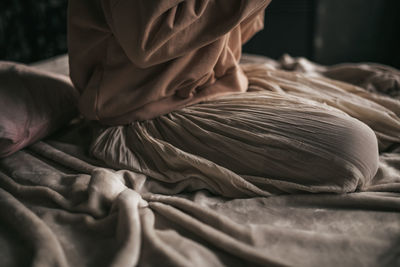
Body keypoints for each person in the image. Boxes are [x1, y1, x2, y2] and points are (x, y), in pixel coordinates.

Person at [68, 0, 382, 196]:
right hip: (143, 110)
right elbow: (147, 37)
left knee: (381, 107)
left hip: (220, 83)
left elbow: (238, 29)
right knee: (357, 152)